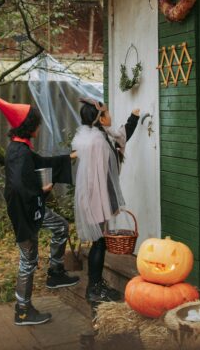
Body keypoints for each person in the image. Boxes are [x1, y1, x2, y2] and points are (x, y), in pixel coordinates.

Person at [0, 92, 79, 326]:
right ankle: (23, 311)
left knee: (60, 227)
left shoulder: (21, 149)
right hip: (25, 213)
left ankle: (55, 273)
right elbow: (16, 187)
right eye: (36, 124)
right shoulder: (19, 153)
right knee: (28, 260)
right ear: (29, 127)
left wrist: (69, 158)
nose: (39, 127)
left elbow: (42, 163)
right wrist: (41, 191)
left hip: (30, 209)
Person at [72, 98, 140, 304]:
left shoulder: (95, 135)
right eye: (107, 113)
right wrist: (105, 202)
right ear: (99, 118)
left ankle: (96, 284)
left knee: (98, 241)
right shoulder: (98, 141)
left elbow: (120, 135)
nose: (110, 116)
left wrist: (134, 118)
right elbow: (101, 175)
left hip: (92, 196)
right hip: (96, 196)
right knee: (99, 243)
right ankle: (94, 288)